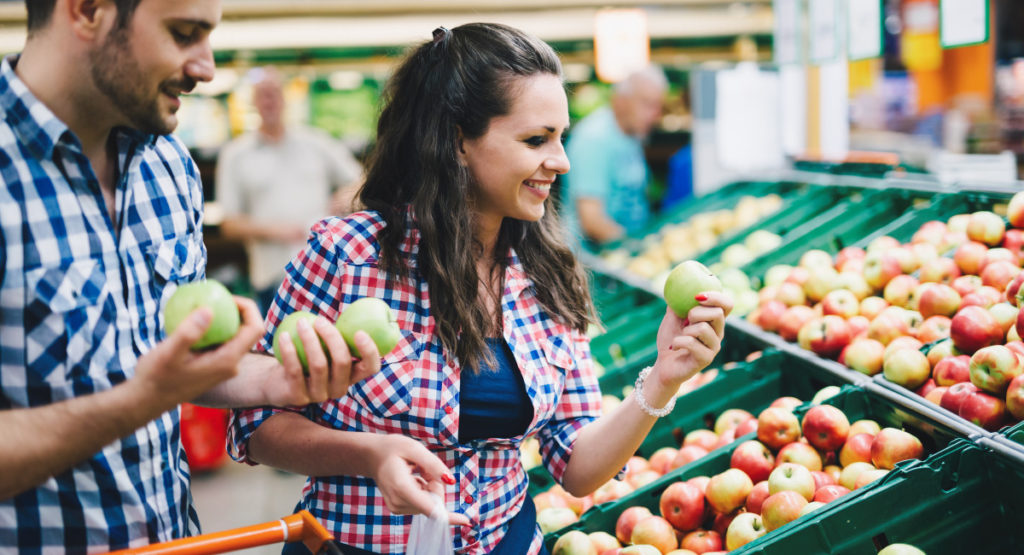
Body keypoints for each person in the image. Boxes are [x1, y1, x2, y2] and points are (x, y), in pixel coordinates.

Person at [229, 23, 730, 554]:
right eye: (537, 139)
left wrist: (663, 381)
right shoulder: (346, 254)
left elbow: (577, 469)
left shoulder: (549, 274)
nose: (560, 161)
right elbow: (257, 424)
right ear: (458, 143)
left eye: (561, 136)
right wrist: (370, 455)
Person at [0, 1, 380, 551]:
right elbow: (152, 390)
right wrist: (140, 400)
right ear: (86, 11)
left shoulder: (168, 166)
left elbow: (181, 364)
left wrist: (274, 382)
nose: (205, 67)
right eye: (185, 34)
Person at [216, 67, 364, 314]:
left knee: (329, 348)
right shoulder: (235, 155)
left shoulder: (316, 142)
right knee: (275, 350)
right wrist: (277, 230)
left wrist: (344, 198)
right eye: (263, 95)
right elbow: (228, 223)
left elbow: (363, 180)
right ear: (254, 102)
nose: (269, 100)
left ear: (285, 98)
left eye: (274, 93)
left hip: (324, 273)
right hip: (271, 277)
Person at [562, 65, 668, 247]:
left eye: (658, 106)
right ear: (620, 102)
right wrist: (641, 249)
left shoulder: (632, 134)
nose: (656, 115)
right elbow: (592, 221)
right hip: (592, 265)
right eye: (648, 104)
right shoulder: (593, 139)